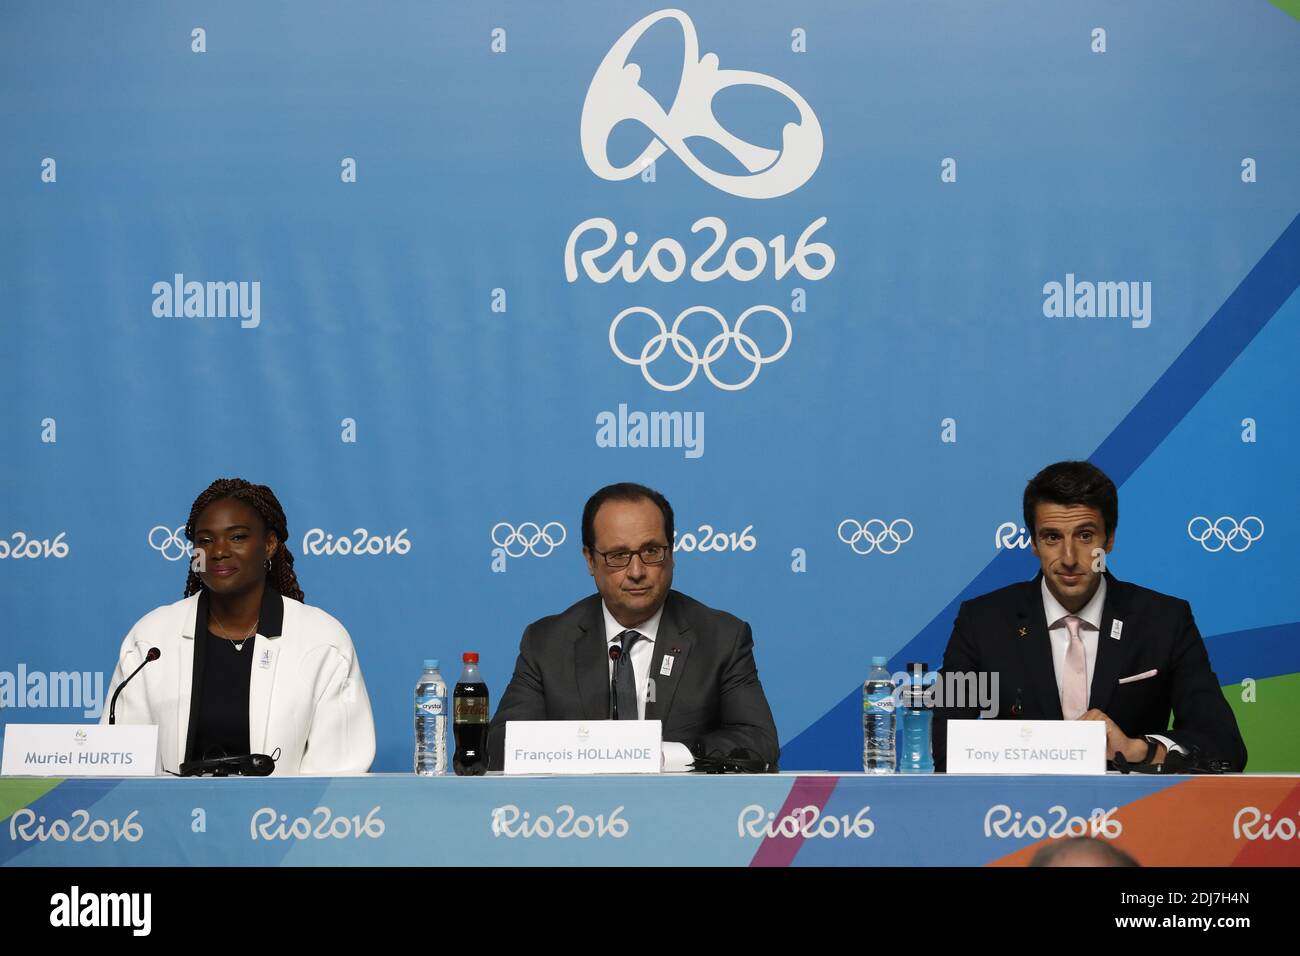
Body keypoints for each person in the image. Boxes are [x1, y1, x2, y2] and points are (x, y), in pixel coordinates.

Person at [932, 461, 1247, 772]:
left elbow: (1225, 746)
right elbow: (944, 746)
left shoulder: (1165, 620)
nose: (1068, 558)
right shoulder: (980, 622)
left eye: (1085, 536)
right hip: (1012, 816)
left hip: (1134, 815)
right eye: (1052, 537)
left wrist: (1139, 749)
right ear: (1033, 543)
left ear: (1109, 539)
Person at [487, 482, 780, 771]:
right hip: (578, 814)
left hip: (682, 811)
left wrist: (667, 755)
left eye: (651, 551)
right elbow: (501, 747)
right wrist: (596, 752)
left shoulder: (721, 638)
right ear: (590, 560)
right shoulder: (546, 643)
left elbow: (759, 741)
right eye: (618, 556)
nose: (637, 571)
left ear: (672, 553)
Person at [103, 479, 375, 775]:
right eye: (205, 540)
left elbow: (341, 767)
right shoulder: (151, 639)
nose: (219, 551)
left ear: (269, 545)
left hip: (283, 819)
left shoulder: (322, 640)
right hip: (170, 818)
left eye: (237, 537)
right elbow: (122, 761)